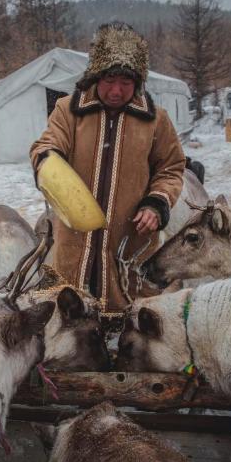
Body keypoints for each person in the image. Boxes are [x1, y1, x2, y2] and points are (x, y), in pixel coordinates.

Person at [30, 22, 186, 317]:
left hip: (130, 243)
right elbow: (46, 146)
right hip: (75, 244)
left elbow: (171, 168)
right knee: (72, 327)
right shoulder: (68, 110)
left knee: (130, 328)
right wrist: (47, 161)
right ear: (96, 76)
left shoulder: (155, 120)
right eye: (110, 80)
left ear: (138, 82)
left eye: (126, 83)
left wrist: (157, 203)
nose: (116, 90)